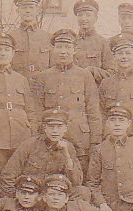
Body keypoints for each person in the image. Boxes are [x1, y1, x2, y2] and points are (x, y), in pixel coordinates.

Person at [33, 29, 103, 173]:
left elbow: (94, 111)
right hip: (51, 138)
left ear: (75, 50)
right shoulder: (43, 77)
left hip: (80, 140)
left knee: (79, 177)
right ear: (52, 49)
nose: (63, 51)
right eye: (59, 47)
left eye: (67, 47)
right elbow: (37, 112)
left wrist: (95, 141)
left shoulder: (84, 75)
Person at [0, 32, 38, 181]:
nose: (3, 53)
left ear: (13, 53)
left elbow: (30, 111)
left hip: (21, 134)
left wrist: (34, 137)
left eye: (6, 50)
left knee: (19, 175)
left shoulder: (21, 79)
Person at [0, 107, 90, 201]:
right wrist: (15, 201)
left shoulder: (69, 147)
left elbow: (76, 182)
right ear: (44, 128)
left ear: (65, 128)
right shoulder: (30, 145)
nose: (55, 131)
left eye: (59, 127)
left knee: (83, 192)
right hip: (30, 196)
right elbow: (8, 175)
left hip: (53, 197)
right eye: (51, 127)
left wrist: (66, 156)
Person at [9, 0, 53, 85]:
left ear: (37, 10)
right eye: (24, 8)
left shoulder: (48, 37)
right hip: (18, 88)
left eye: (31, 7)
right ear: (18, 11)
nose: (28, 11)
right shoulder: (10, 37)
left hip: (42, 89)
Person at [72, 0, 111, 84]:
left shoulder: (104, 43)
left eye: (88, 15)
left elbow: (112, 73)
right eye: (80, 15)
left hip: (95, 91)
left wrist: (92, 71)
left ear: (95, 18)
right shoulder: (72, 41)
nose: (83, 18)